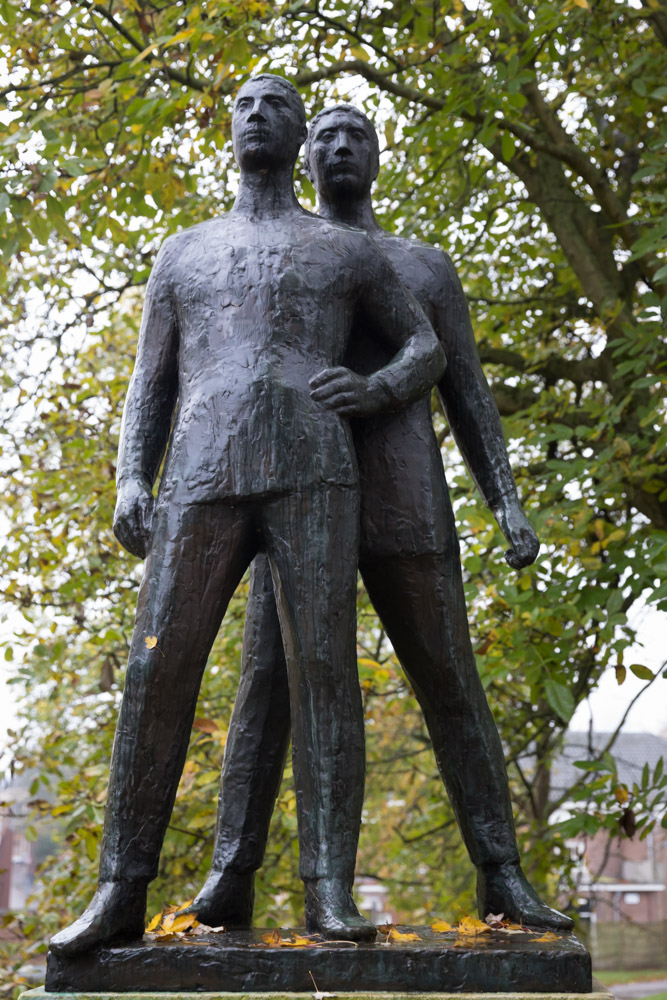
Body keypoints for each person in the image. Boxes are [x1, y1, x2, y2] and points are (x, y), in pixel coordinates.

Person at [49, 77, 446, 955]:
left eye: (277, 104)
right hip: (199, 473)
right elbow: (148, 382)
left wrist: (376, 388)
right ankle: (120, 887)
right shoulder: (184, 253)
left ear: (300, 134)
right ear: (230, 131)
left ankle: (328, 891)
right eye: (245, 105)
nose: (259, 114)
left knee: (323, 673)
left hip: (314, 473)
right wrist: (128, 480)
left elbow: (424, 343)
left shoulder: (341, 252)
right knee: (159, 669)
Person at [190, 105, 573, 932]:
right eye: (322, 134)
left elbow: (466, 390)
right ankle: (231, 871)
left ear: (377, 156)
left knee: (447, 678)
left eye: (354, 135)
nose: (337, 147)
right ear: (301, 151)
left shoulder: (418, 267)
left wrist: (503, 499)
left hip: (401, 500)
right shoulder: (286, 256)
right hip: (292, 495)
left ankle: (500, 870)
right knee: (267, 685)